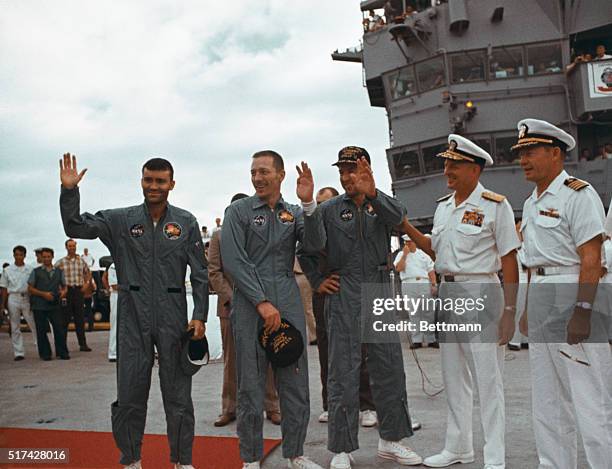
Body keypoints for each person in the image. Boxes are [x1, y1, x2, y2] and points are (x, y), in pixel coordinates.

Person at [59, 153, 208, 469]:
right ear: (141, 181)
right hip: (132, 316)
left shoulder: (186, 222)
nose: (154, 186)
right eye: (148, 180)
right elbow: (75, 225)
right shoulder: (120, 220)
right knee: (129, 396)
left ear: (171, 184)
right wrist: (70, 191)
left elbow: (200, 274)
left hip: (173, 316)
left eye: (160, 181)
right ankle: (131, 460)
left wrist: (200, 315)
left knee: (179, 398)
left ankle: (183, 461)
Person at [400, 135, 520, 469]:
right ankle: (459, 447)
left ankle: (494, 458)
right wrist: (405, 225)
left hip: (481, 291)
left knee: (488, 380)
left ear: (475, 168)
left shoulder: (496, 205)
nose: (446, 170)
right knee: (454, 376)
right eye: (446, 163)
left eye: (454, 164)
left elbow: (509, 260)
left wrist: (510, 310)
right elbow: (434, 249)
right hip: (449, 293)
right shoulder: (443, 207)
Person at [304, 146, 422, 469]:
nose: (346, 178)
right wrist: (317, 280)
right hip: (344, 294)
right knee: (343, 371)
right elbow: (310, 248)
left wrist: (374, 193)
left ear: (367, 169)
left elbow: (399, 218)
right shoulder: (328, 210)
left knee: (389, 368)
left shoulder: (381, 203)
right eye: (342, 171)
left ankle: (392, 440)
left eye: (352, 170)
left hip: (379, 288)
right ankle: (341, 448)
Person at [514, 118, 612, 469]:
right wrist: (526, 309)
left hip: (572, 292)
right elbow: (532, 264)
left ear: (555, 153)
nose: (523, 159)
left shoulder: (578, 194)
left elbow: (590, 258)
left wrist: (583, 310)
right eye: (520, 153)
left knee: (590, 397)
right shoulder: (530, 202)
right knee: (548, 399)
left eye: (530, 152)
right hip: (541, 295)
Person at [221, 150, 323, 469]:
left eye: (264, 171)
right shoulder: (238, 212)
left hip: (288, 295)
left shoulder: (292, 214)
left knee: (295, 381)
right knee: (250, 385)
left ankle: (295, 453)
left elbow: (316, 245)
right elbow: (234, 262)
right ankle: (251, 458)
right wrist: (261, 302)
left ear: (280, 175)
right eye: (253, 172)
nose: (257, 178)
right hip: (250, 303)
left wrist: (309, 205)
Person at [299, 186, 378, 429]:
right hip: (326, 293)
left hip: (355, 290)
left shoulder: (352, 223)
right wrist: (317, 281)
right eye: (319, 202)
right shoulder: (313, 227)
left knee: (363, 348)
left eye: (327, 202)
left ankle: (366, 405)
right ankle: (330, 404)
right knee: (327, 351)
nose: (323, 207)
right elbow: (303, 253)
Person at [207, 193, 281, 428]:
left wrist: (262, 299)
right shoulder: (218, 236)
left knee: (269, 356)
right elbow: (214, 271)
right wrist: (234, 299)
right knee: (232, 360)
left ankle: (272, 406)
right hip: (230, 309)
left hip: (263, 307)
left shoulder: (258, 233)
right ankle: (229, 408)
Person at [394, 235, 437, 348]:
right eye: (405, 242)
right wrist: (404, 255)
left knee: (428, 311)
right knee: (413, 312)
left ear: (414, 242)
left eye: (409, 242)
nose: (407, 244)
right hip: (408, 283)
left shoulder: (423, 254)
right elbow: (399, 268)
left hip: (423, 282)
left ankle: (430, 338)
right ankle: (416, 339)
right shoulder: (401, 255)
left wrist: (433, 284)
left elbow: (431, 270)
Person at [27, 247, 70, 360]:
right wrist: (43, 294)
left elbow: (65, 287)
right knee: (41, 330)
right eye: (44, 257)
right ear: (41, 257)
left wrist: (63, 293)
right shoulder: (36, 272)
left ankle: (62, 352)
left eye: (48, 256)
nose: (46, 259)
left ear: (52, 257)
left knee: (59, 328)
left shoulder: (59, 271)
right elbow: (30, 289)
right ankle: (45, 354)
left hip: (54, 303)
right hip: (39, 305)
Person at [0, 246, 37, 360]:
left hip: (26, 297)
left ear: (24, 255)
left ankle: (40, 345)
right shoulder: (7, 270)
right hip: (13, 297)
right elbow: (4, 289)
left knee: (33, 323)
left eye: (21, 254)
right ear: (13, 255)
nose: (18, 257)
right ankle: (19, 352)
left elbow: (33, 286)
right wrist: (2, 305)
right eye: (16, 254)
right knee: (15, 326)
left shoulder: (30, 269)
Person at [55, 239, 92, 352]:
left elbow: (88, 273)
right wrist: (60, 290)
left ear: (76, 247)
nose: (72, 248)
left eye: (73, 246)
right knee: (64, 321)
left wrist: (86, 284)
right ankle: (62, 347)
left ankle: (83, 344)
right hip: (67, 292)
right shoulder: (61, 262)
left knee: (80, 319)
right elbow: (53, 276)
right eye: (69, 246)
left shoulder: (81, 261)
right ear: (66, 247)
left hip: (78, 291)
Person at [103, 262, 118, 363]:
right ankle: (113, 352)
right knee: (115, 324)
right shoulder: (113, 266)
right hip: (117, 295)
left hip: (130, 296)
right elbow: (115, 285)